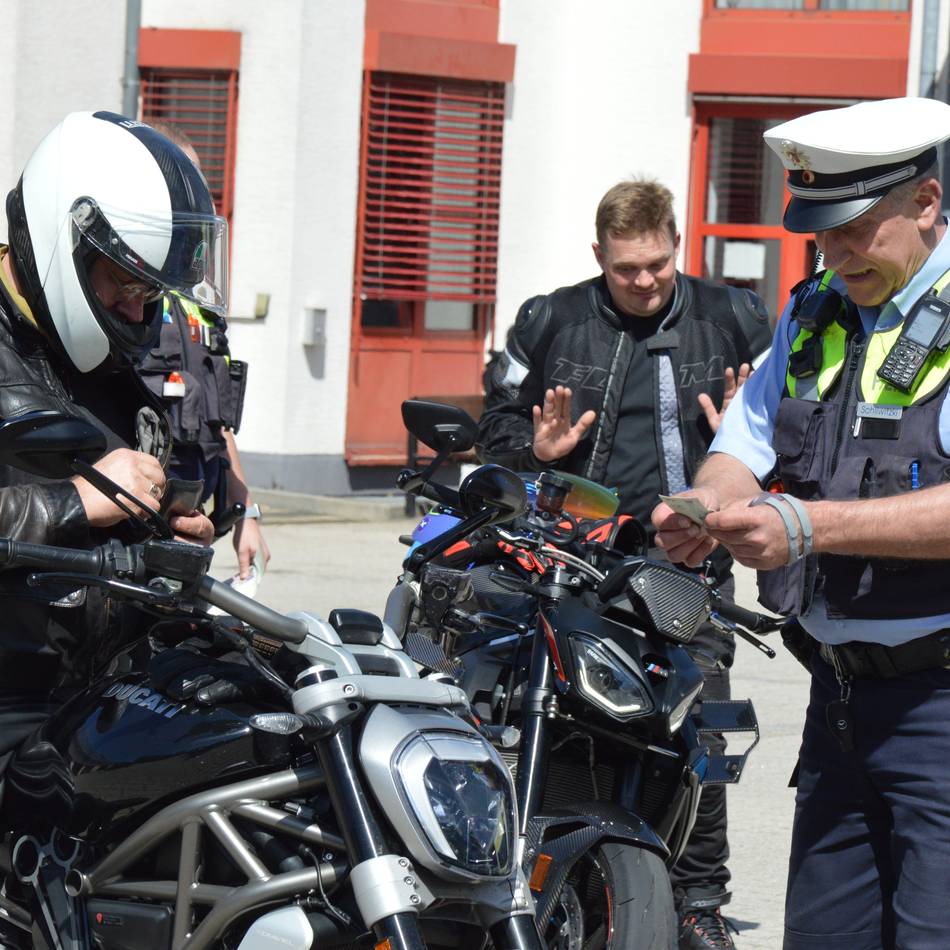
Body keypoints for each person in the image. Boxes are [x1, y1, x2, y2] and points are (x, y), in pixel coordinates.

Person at [652, 96, 950, 950]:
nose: (834, 254)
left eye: (853, 229)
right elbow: (740, 445)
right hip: (839, 704)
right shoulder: (815, 308)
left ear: (925, 202)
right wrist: (706, 505)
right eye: (821, 234)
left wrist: (807, 527)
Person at [477, 178, 772, 949]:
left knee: (699, 728)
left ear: (677, 245)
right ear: (598, 256)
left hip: (685, 561)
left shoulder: (735, 318)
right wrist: (535, 450)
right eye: (625, 268)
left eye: (657, 264)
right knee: (561, 720)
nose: (644, 281)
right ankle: (561, 879)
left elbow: (793, 429)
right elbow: (494, 426)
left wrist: (746, 440)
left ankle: (699, 903)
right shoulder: (549, 320)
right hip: (573, 558)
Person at [0, 111, 224, 781]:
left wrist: (171, 543)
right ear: (63, 242)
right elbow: (74, 506)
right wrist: (71, 503)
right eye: (125, 284)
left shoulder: (101, 361)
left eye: (151, 292)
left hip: (91, 701)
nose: (138, 311)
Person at [138, 122, 269, 581]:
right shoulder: (125, 296)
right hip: (136, 527)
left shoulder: (198, 302)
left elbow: (218, 419)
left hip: (194, 525)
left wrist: (245, 511)